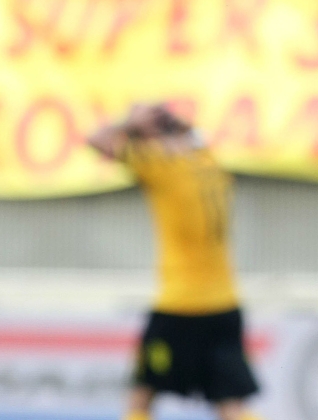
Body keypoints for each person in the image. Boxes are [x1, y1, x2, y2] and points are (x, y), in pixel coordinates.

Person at [88, 104, 259, 420]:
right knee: (231, 406)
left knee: (141, 397)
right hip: (225, 305)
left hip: (179, 307)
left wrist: (128, 124)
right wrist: (179, 127)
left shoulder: (161, 166)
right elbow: (195, 139)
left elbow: (96, 140)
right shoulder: (209, 165)